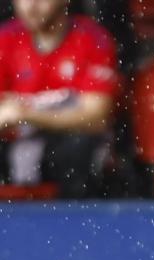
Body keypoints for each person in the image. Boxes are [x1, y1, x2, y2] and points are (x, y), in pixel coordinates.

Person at [0, 0, 119, 198]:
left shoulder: (92, 38)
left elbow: (96, 117)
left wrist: (24, 113)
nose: (30, 6)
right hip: (16, 146)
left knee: (77, 147)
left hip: (71, 153)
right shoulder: (5, 38)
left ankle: (76, 223)